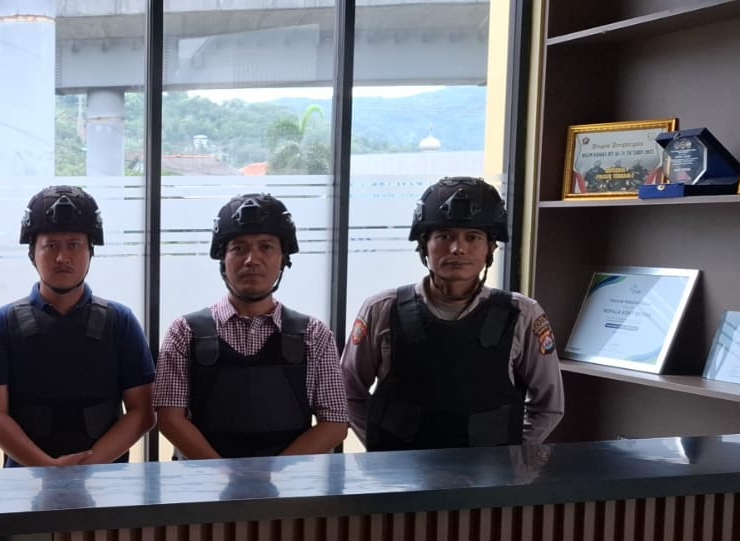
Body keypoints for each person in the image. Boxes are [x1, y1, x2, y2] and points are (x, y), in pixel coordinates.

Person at [341, 176, 564, 450]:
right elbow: (347, 392)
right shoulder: (382, 309)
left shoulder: (522, 314)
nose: (458, 249)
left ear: (491, 248)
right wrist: (380, 447)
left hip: (491, 472)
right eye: (444, 236)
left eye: (473, 237)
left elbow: (548, 407)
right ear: (424, 245)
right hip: (399, 471)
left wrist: (513, 458)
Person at [154, 193, 349, 458]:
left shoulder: (313, 334)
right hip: (203, 479)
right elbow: (169, 418)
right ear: (223, 260)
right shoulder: (184, 332)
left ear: (283, 259)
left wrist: (272, 476)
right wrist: (224, 473)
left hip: (289, 481)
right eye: (239, 248)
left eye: (266, 247)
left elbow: (335, 421)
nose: (251, 260)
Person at [0, 185, 155, 467]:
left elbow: (142, 412)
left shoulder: (120, 321)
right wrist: (49, 467)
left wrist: (86, 466)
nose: (62, 258)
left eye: (74, 245)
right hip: (25, 480)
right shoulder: (1, 324)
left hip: (106, 479)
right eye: (51, 246)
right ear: (32, 252)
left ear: (91, 251)